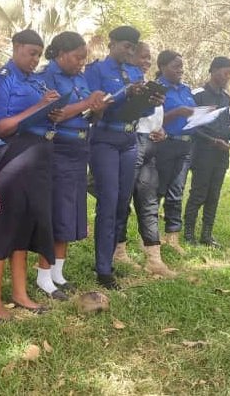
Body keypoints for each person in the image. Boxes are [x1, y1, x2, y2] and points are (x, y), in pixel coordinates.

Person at [0, 30, 63, 322]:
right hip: (11, 157)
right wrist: (40, 106)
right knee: (2, 228)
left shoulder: (36, 79)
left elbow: (38, 112)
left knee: (26, 225)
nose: (35, 59)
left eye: (38, 55)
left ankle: (19, 292)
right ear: (15, 48)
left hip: (38, 155)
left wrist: (51, 111)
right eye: (30, 53)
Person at [36, 31, 109, 296]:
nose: (81, 63)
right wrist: (87, 103)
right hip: (58, 149)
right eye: (77, 58)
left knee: (71, 213)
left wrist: (98, 107)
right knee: (56, 212)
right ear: (60, 53)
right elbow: (54, 114)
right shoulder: (47, 77)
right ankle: (43, 275)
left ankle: (58, 272)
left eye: (84, 58)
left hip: (80, 147)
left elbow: (87, 112)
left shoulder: (80, 78)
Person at [83, 26, 146, 289]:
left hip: (130, 140)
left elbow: (141, 110)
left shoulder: (136, 72)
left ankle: (109, 256)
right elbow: (92, 108)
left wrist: (148, 99)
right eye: (125, 46)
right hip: (105, 139)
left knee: (122, 202)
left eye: (133, 47)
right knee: (107, 202)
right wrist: (123, 94)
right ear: (112, 44)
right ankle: (103, 268)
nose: (129, 51)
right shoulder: (96, 70)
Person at [131, 42, 177, 277]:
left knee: (149, 202)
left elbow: (156, 120)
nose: (147, 61)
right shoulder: (129, 86)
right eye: (142, 57)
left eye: (149, 58)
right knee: (121, 204)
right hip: (130, 145)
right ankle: (117, 252)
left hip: (150, 147)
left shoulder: (153, 88)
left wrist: (162, 132)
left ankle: (154, 259)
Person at [183, 57, 230, 247]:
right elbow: (192, 126)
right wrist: (213, 141)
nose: (226, 77)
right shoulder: (199, 95)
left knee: (214, 194)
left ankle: (207, 234)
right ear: (213, 70)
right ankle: (189, 233)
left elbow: (224, 126)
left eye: (229, 74)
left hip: (221, 153)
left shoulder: (226, 98)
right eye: (224, 72)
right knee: (199, 192)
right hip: (203, 151)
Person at [156, 50, 195, 255]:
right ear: (162, 67)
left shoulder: (186, 89)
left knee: (177, 191)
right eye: (175, 66)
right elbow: (153, 120)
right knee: (159, 190)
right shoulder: (158, 90)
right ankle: (151, 238)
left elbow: (192, 113)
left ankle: (172, 236)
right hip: (165, 144)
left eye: (181, 65)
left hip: (186, 145)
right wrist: (177, 112)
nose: (180, 69)